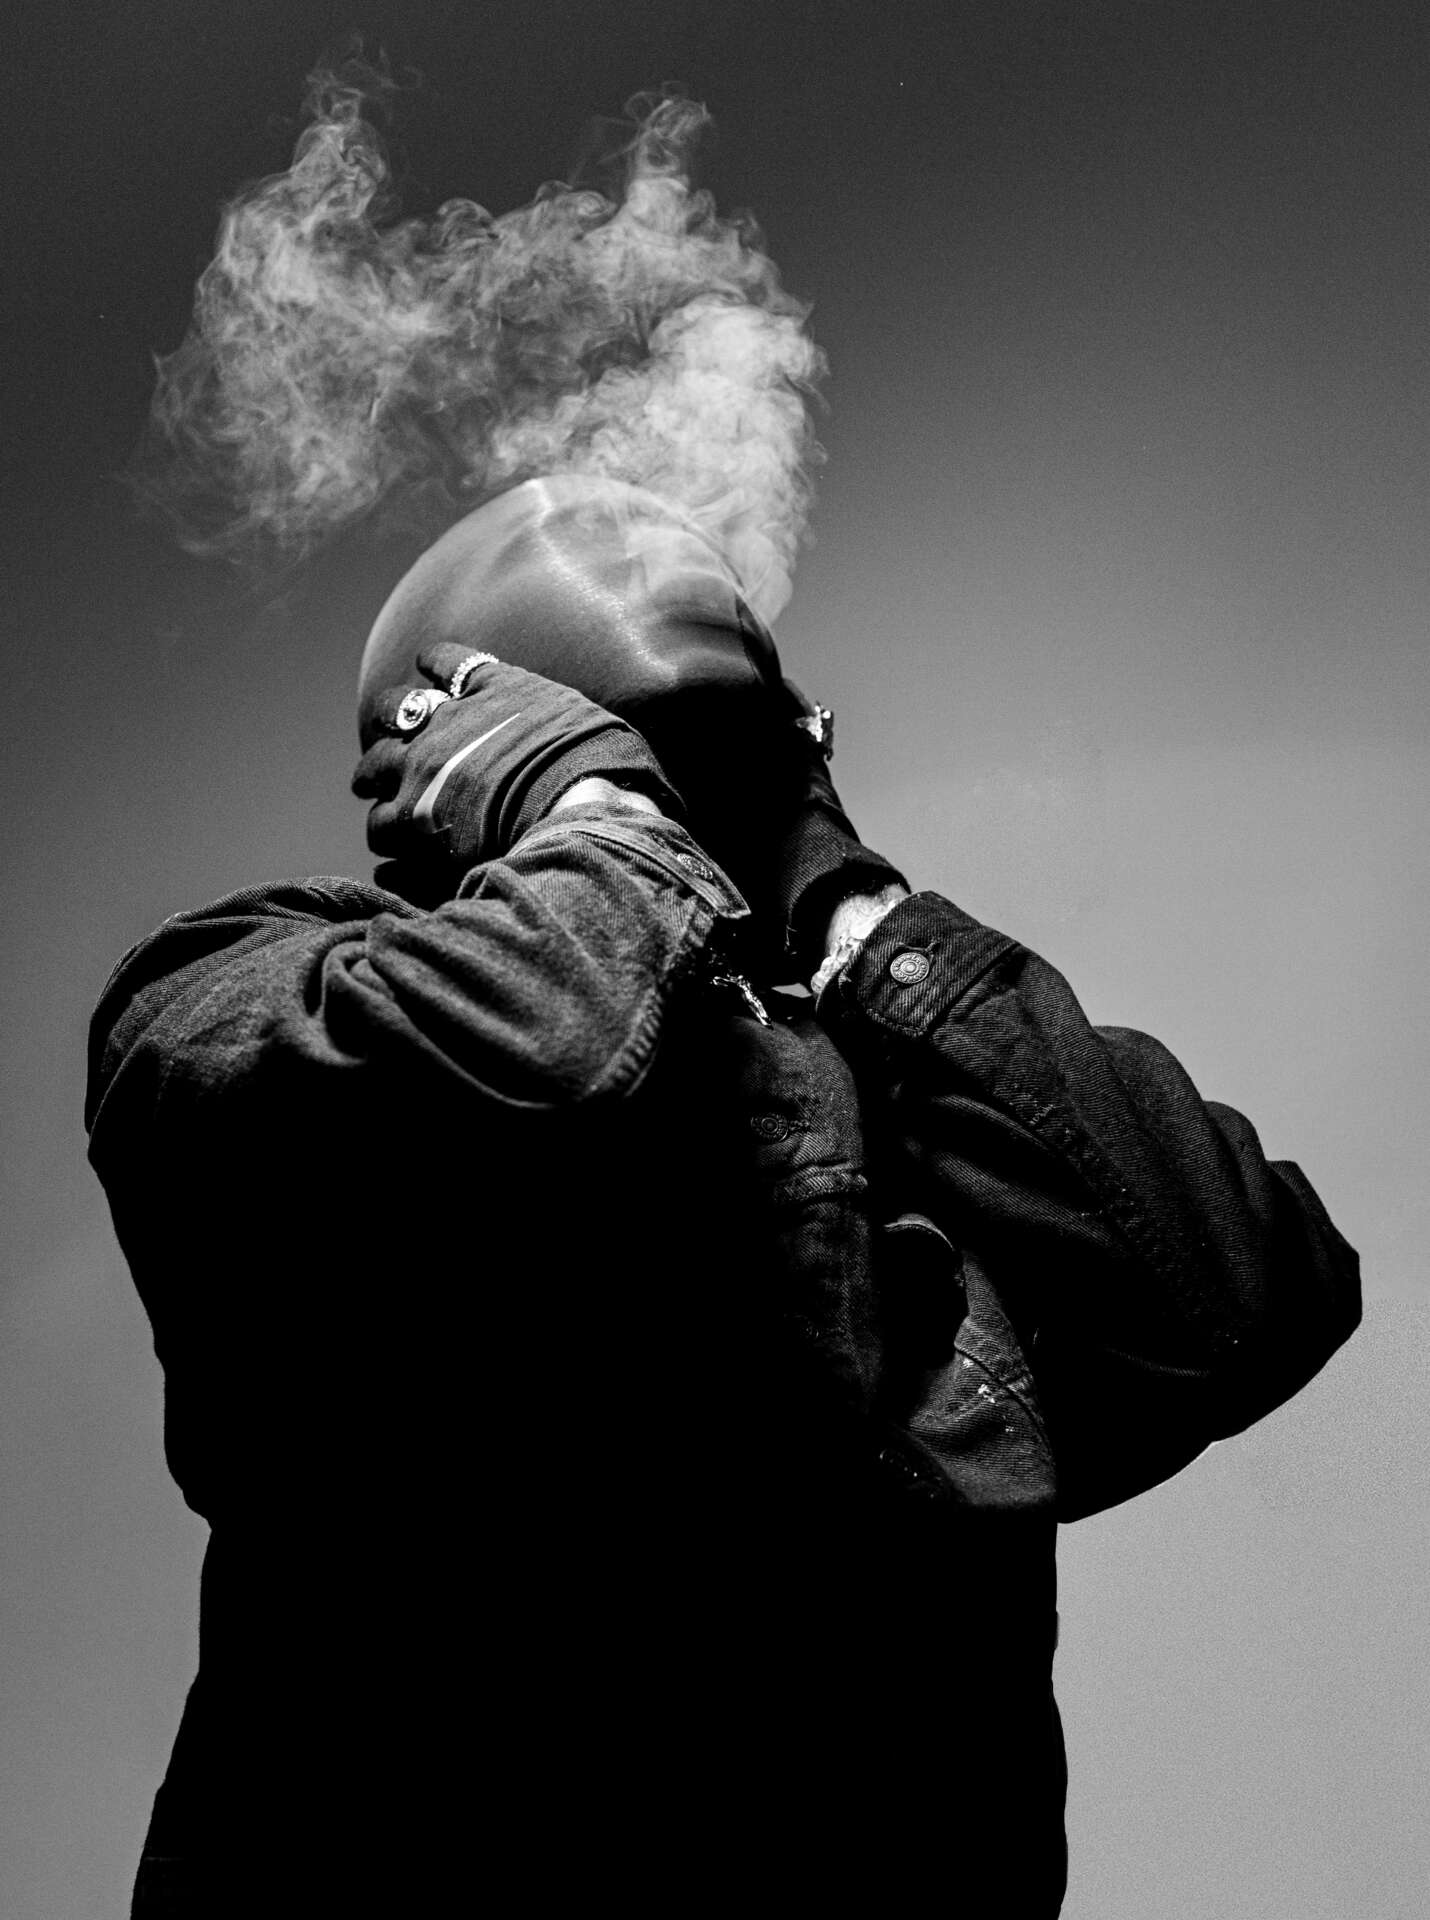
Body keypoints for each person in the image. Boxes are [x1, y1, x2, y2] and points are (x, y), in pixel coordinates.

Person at [86, 476, 1361, 1916]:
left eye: (714, 775)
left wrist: (837, 890)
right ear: (461, 751)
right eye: (632, 758)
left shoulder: (889, 1104)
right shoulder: (240, 990)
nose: (687, 815)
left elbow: (1237, 1304)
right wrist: (594, 820)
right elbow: (543, 1051)